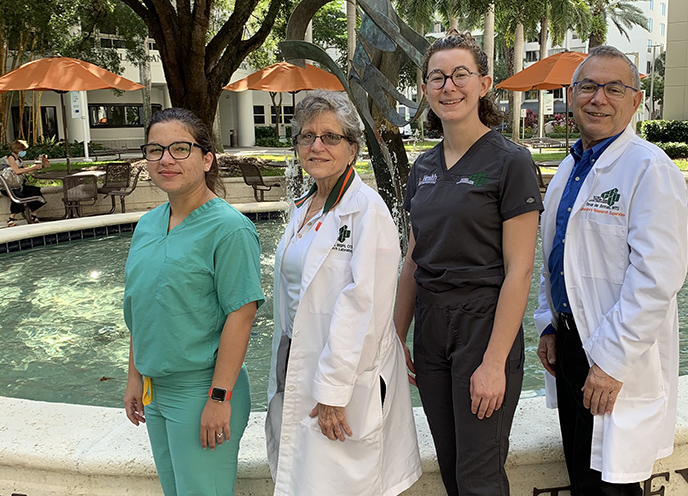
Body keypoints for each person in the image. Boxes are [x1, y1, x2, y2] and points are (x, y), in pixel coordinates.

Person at [393, 30, 543, 496]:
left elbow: (519, 271)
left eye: (461, 74)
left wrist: (495, 361)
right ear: (424, 89)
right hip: (432, 326)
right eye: (437, 77)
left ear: (484, 83)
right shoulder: (422, 167)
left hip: (484, 324)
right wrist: (396, 336)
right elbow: (413, 259)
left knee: (479, 475)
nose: (448, 86)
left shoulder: (511, 162)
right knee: (452, 466)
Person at [534, 45, 688, 495]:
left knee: (612, 485)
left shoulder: (649, 169)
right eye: (588, 86)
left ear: (635, 100)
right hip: (569, 343)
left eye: (613, 88)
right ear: (570, 95)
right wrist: (548, 325)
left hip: (613, 353)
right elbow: (555, 258)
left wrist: (611, 362)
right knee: (582, 477)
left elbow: (657, 279)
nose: (598, 98)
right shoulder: (568, 169)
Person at [266, 90, 422, 496]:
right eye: (307, 136)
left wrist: (333, 392)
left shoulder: (366, 210)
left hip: (343, 382)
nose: (316, 145)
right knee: (304, 479)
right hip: (299, 363)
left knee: (336, 484)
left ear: (353, 148)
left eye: (330, 137)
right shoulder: (306, 206)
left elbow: (365, 307)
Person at [123, 107, 264, 496]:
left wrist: (220, 398)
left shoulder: (230, 229)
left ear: (206, 158)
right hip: (155, 391)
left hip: (202, 391)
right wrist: (135, 375)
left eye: (180, 148)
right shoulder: (147, 225)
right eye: (155, 149)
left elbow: (242, 315)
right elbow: (140, 307)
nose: (166, 159)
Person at [1, 140, 49, 226]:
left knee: (34, 191)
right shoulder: (10, 158)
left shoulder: (19, 159)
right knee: (18, 196)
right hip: (9, 186)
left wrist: (38, 165)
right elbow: (17, 171)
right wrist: (31, 168)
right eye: (22, 150)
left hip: (19, 185)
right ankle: (11, 218)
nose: (24, 152)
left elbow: (28, 171)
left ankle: (34, 215)